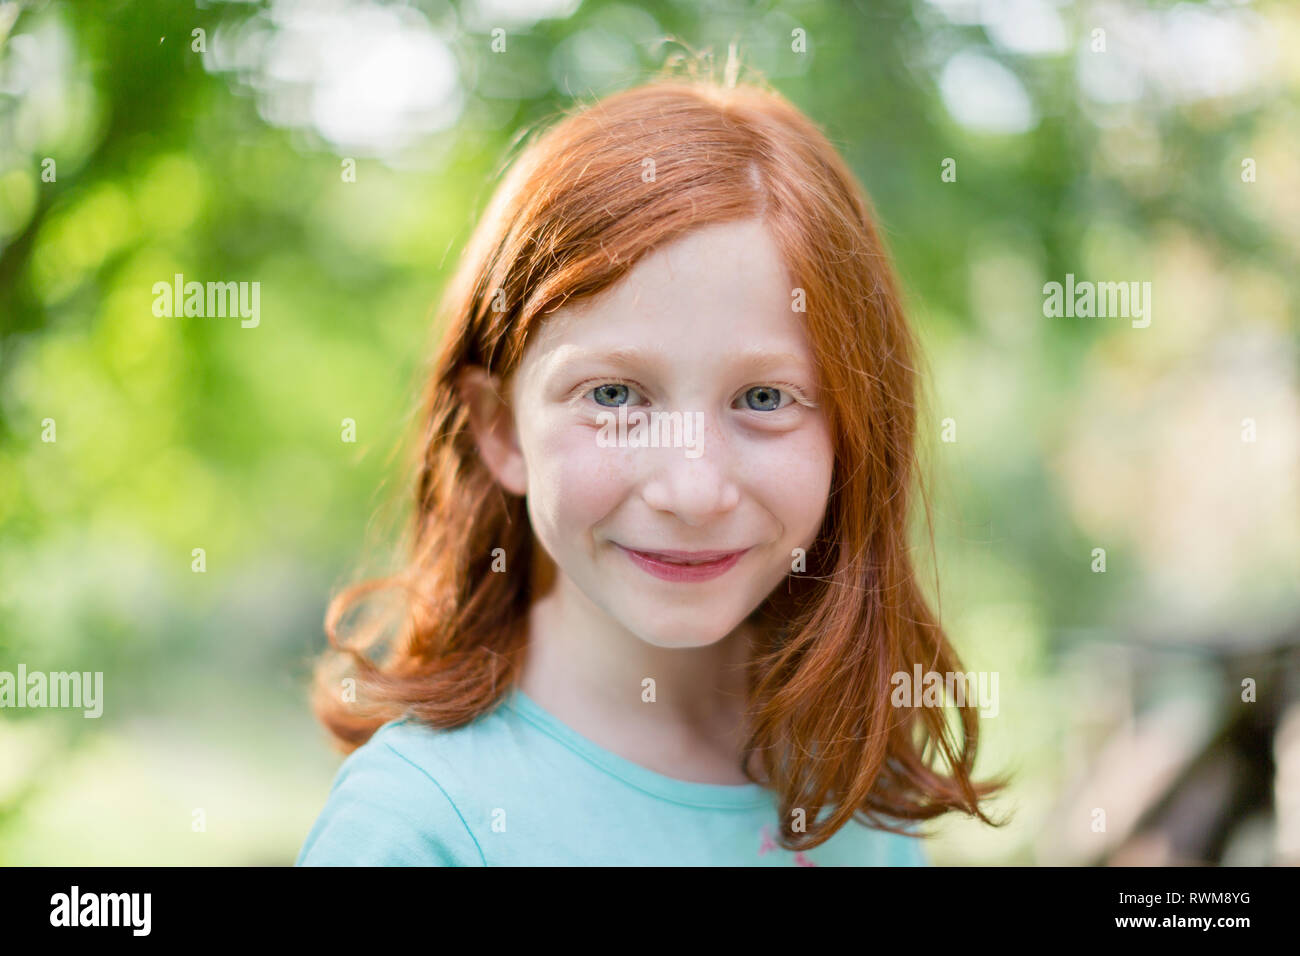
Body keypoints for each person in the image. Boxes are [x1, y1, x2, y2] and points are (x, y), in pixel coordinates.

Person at [296, 70, 1004, 866]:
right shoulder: (417, 826)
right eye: (614, 395)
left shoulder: (855, 799)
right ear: (501, 430)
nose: (693, 491)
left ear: (854, 435)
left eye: (765, 396)